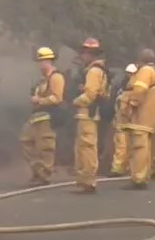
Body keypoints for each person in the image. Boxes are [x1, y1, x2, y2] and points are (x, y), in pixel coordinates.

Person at [21, 46, 66, 186]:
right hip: (36, 117)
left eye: (42, 61)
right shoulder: (42, 80)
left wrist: (39, 100)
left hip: (48, 117)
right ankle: (37, 170)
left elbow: (57, 98)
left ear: (49, 61)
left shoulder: (56, 77)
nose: (40, 65)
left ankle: (44, 175)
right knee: (26, 141)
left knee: (45, 147)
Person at [70, 38, 108, 194]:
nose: (82, 56)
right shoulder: (95, 70)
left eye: (85, 53)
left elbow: (90, 94)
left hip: (87, 113)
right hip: (87, 114)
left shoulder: (93, 71)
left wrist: (76, 101)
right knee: (84, 148)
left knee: (87, 148)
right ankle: (85, 180)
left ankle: (88, 181)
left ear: (91, 54)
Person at [123, 49, 155, 189]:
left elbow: (139, 90)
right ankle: (143, 176)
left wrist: (132, 104)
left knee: (138, 148)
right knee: (144, 148)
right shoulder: (154, 71)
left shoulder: (145, 71)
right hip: (147, 119)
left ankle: (138, 179)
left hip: (140, 118)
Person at [108, 63, 136, 177]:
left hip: (130, 121)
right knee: (121, 145)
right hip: (123, 121)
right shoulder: (123, 89)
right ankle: (119, 168)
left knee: (129, 146)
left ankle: (124, 168)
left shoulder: (132, 90)